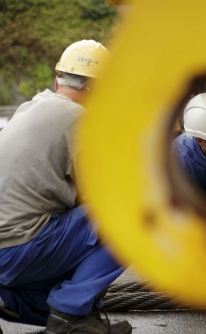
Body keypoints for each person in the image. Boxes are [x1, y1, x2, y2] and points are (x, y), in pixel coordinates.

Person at [0, 40, 132, 333]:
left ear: (59, 78)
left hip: (6, 251)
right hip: (20, 247)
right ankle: (70, 316)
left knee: (79, 261)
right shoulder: (81, 120)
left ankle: (11, 299)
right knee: (132, 218)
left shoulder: (27, 109)